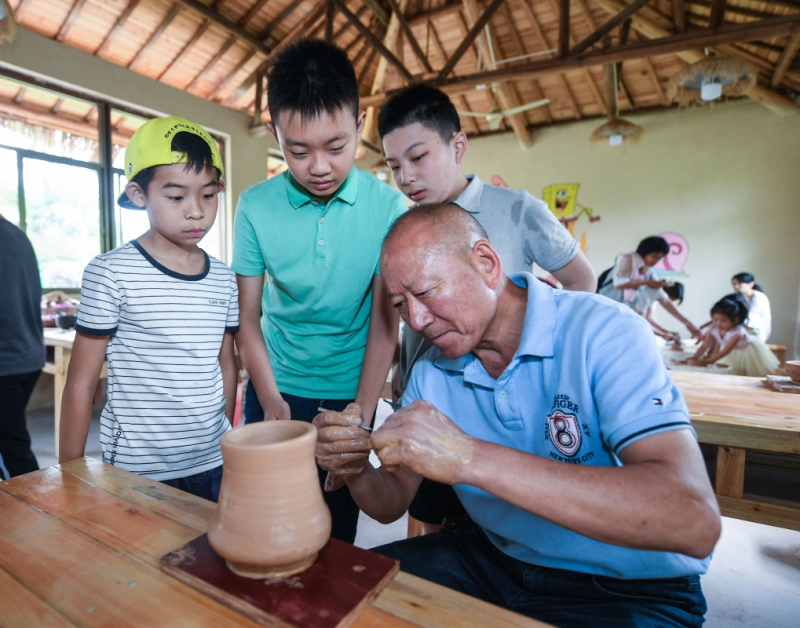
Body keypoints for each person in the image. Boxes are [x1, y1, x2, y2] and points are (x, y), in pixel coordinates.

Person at [315, 204, 721, 628]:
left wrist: (468, 456)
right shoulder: (432, 373)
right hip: (493, 559)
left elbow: (692, 521)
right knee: (335, 595)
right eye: (401, 305)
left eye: (426, 292)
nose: (415, 319)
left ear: (486, 263)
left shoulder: (603, 331)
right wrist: (358, 468)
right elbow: (391, 502)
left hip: (630, 589)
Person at [378, 83, 596, 534]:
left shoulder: (516, 210)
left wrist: (566, 365)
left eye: (418, 157)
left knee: (511, 519)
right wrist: (401, 369)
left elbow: (582, 279)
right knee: (428, 514)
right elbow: (400, 317)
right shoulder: (402, 227)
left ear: (458, 145)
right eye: (394, 165)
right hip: (433, 397)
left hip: (507, 406)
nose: (406, 176)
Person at [231, 38, 406, 544]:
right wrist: (270, 398)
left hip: (350, 392)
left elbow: (383, 325)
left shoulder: (387, 209)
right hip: (276, 383)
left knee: (331, 529)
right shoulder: (256, 207)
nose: (320, 167)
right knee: (266, 523)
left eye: (336, 146)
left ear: (359, 125)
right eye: (298, 151)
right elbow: (248, 319)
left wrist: (362, 412)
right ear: (274, 133)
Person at [59, 116, 239, 502]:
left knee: (209, 559)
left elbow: (225, 362)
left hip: (214, 462)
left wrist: (221, 440)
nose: (196, 211)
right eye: (176, 197)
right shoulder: (111, 273)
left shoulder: (224, 278)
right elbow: (80, 384)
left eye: (208, 195)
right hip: (138, 469)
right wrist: (69, 481)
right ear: (138, 195)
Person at [0, 214, 46, 479]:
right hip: (28, 354)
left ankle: (37, 514)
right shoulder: (17, 235)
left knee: (12, 452)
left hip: (6, 361)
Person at [598, 235, 702, 339]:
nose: (656, 260)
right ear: (645, 251)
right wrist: (646, 282)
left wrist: (687, 322)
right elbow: (619, 283)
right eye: (654, 255)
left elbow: (664, 299)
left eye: (660, 257)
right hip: (605, 305)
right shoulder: (628, 259)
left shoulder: (649, 272)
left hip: (620, 311)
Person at [688, 294, 779, 377]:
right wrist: (695, 357)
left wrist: (705, 361)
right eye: (715, 319)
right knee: (730, 372)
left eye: (723, 321)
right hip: (731, 351)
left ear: (735, 320)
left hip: (747, 351)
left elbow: (724, 352)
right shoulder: (713, 328)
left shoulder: (738, 333)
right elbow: (704, 345)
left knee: (744, 374)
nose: (719, 323)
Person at [731, 272, 771, 343]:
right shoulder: (741, 297)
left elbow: (750, 317)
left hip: (757, 332)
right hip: (747, 329)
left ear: (751, 284)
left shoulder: (759, 297)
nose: (736, 286)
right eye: (734, 283)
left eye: (739, 283)